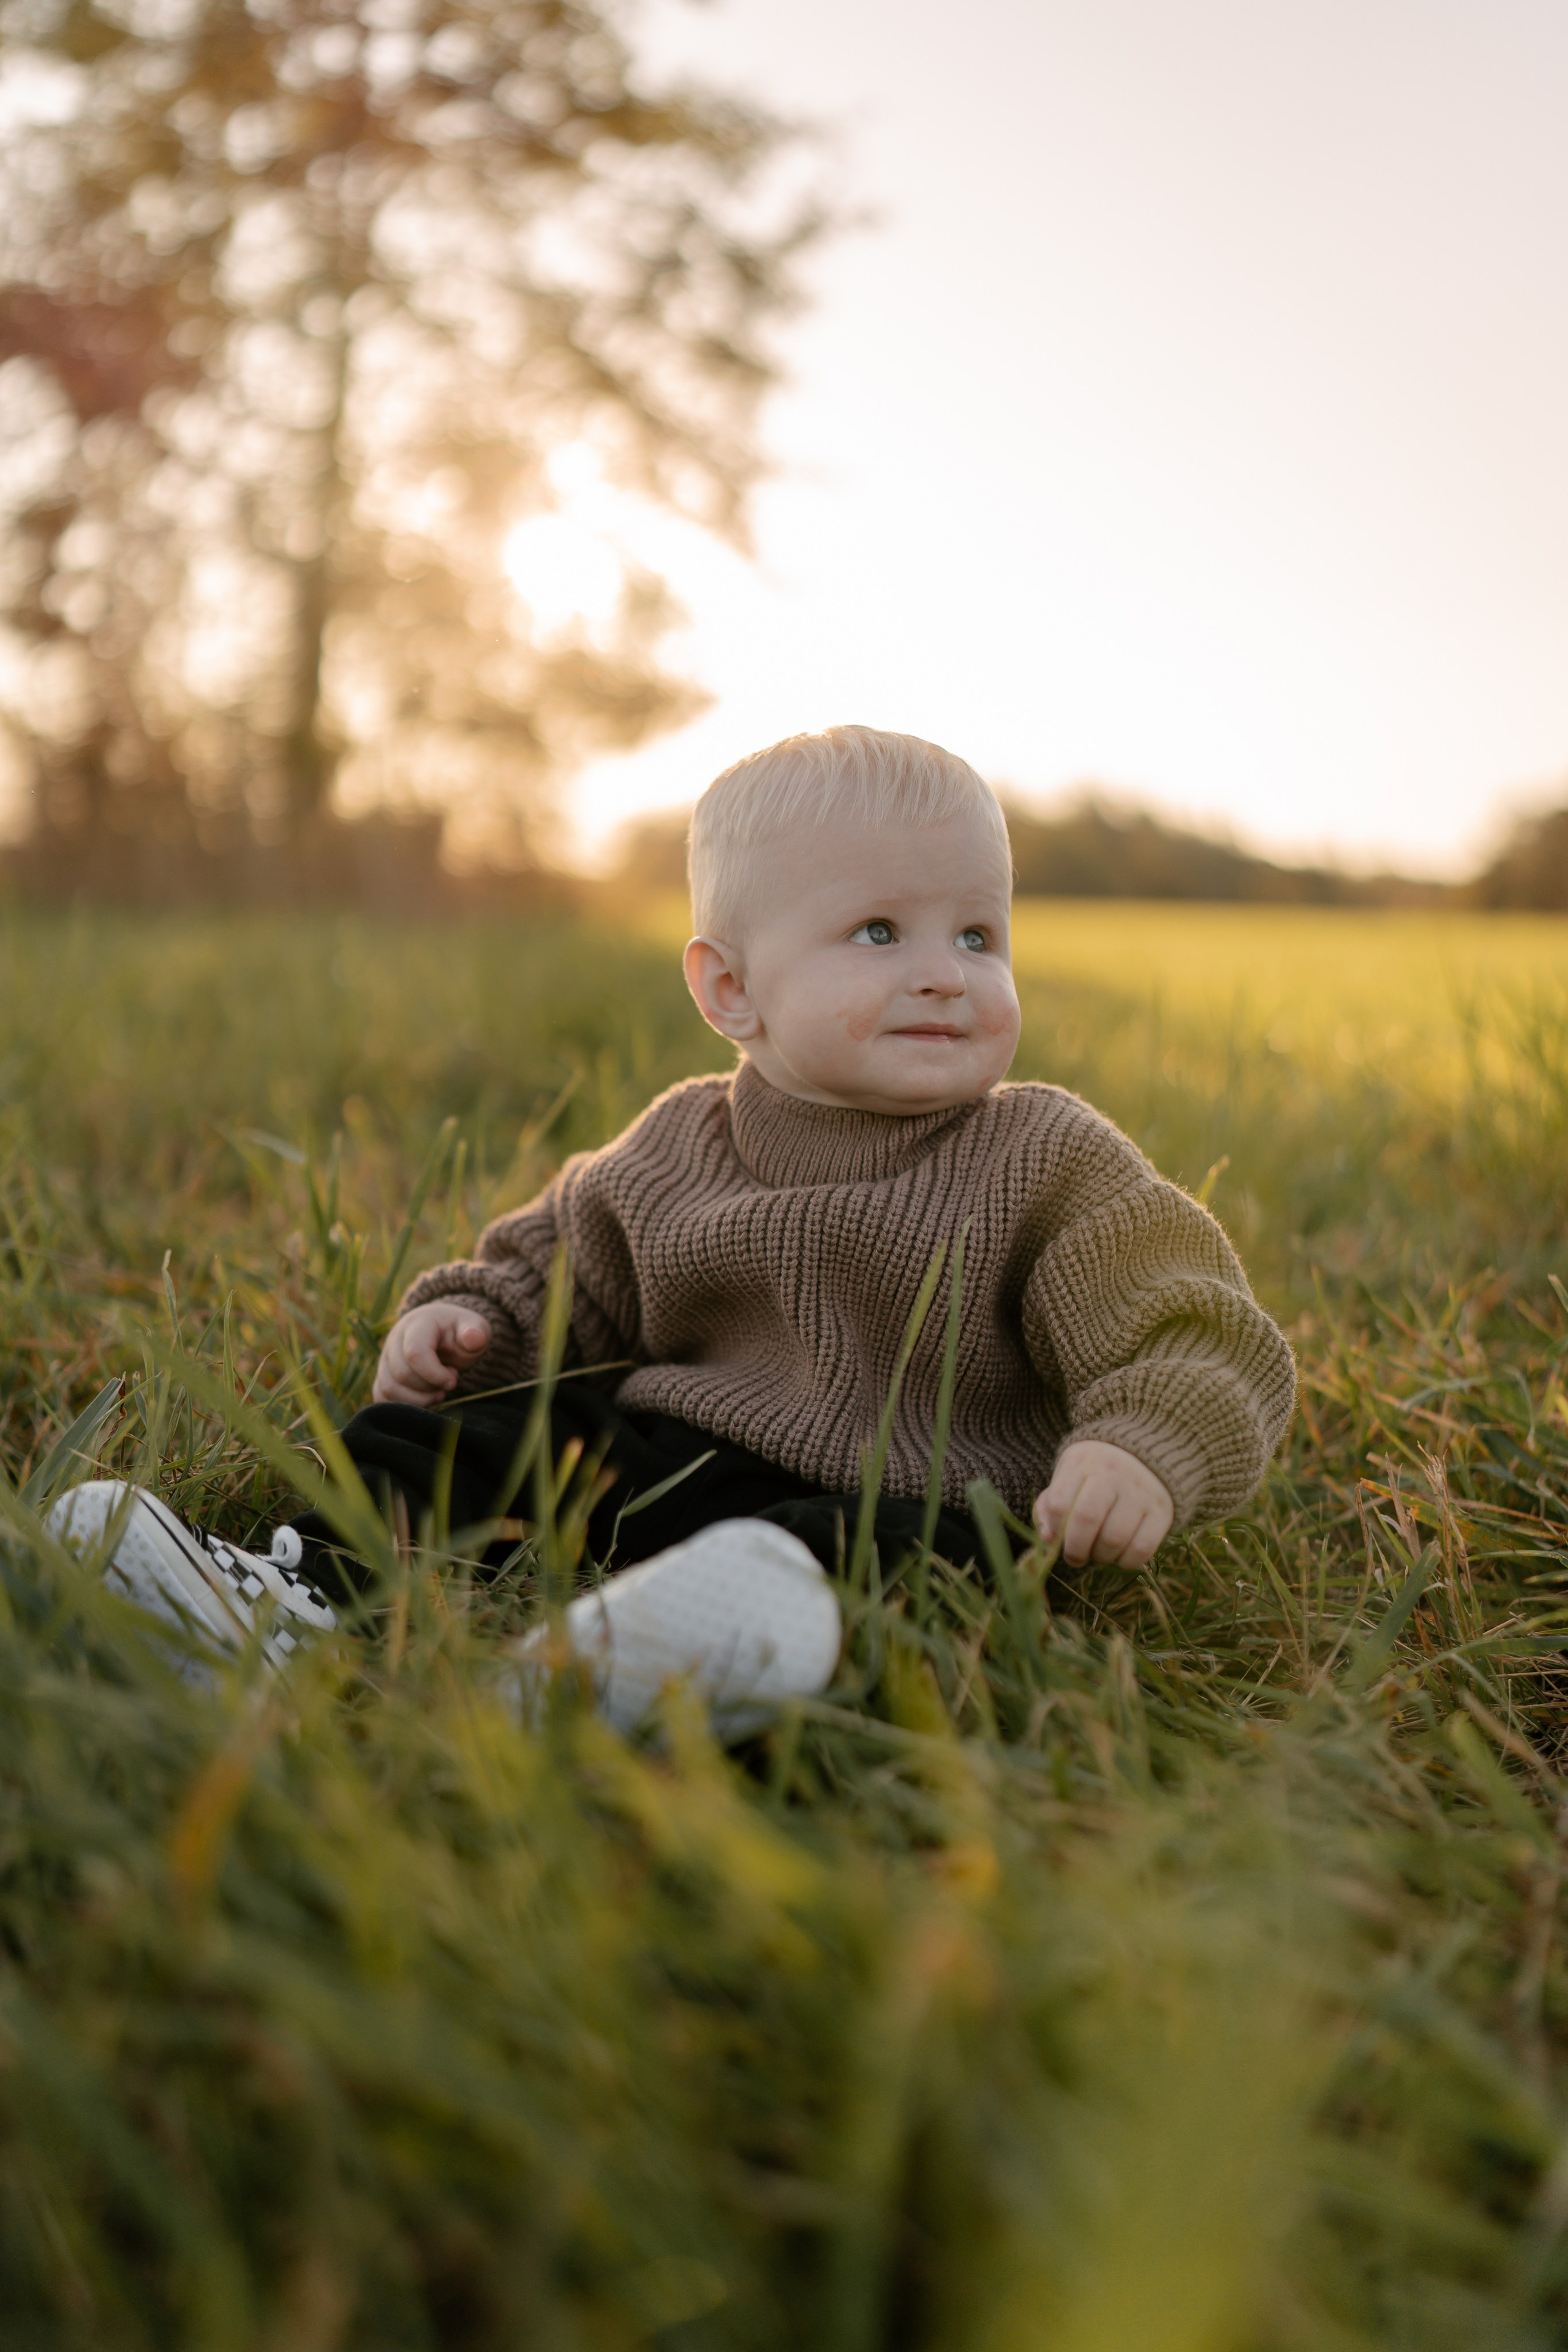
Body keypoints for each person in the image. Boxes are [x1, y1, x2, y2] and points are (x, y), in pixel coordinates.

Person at [51, 725, 1294, 1732]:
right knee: (488, 1444)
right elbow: (555, 1275)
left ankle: (658, 1663)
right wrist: (468, 1323)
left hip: (912, 1495)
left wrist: (1141, 1448)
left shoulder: (1045, 1157)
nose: (943, 972)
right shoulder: (679, 1144)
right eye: (879, 932)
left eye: (978, 935)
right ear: (729, 989)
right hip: (676, 1468)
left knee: (892, 1559)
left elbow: (1191, 1328)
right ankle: (284, 1597)